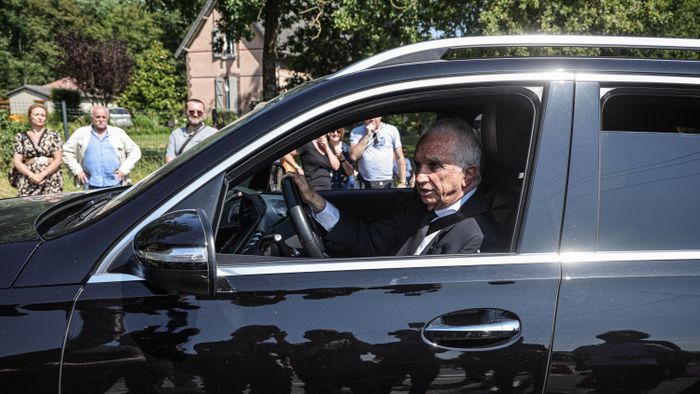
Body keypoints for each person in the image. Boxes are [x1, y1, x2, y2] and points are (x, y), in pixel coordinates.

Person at [291, 118, 504, 256]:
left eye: (434, 166)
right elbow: (367, 240)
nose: (419, 177)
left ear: (467, 174)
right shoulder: (420, 208)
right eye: (419, 164)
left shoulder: (479, 239)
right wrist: (315, 201)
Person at [63, 105, 141, 190]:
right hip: (90, 183)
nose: (101, 120)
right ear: (92, 118)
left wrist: (124, 169)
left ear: (107, 118)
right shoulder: (81, 133)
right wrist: (77, 170)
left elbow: (135, 152)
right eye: (98, 117)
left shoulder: (117, 133)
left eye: (104, 117)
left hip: (116, 182)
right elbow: (66, 152)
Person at [12, 104, 64, 196]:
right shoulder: (20, 137)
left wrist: (42, 174)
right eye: (36, 115)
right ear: (29, 117)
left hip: (51, 178)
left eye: (43, 115)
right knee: (28, 208)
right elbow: (17, 161)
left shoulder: (54, 136)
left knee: (52, 207)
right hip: (28, 179)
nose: (40, 117)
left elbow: (58, 159)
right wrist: (31, 175)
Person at [349, 117, 406, 189]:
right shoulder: (356, 131)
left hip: (387, 182)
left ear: (380, 117)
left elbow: (399, 157)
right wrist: (367, 135)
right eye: (369, 116)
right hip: (364, 182)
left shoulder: (392, 130)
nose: (372, 119)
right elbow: (353, 156)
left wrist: (403, 182)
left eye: (375, 116)